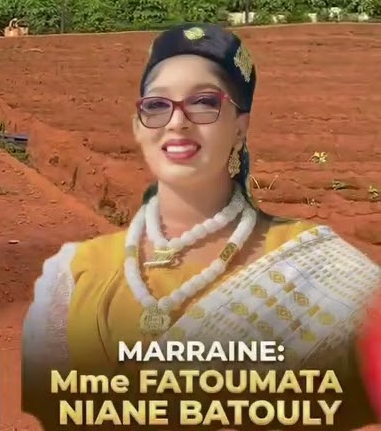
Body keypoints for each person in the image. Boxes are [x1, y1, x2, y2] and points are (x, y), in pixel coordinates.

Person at [20, 23, 380, 424]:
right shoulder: (74, 274)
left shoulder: (329, 275)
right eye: (156, 105)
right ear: (139, 126)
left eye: (204, 103)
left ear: (240, 129)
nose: (177, 122)